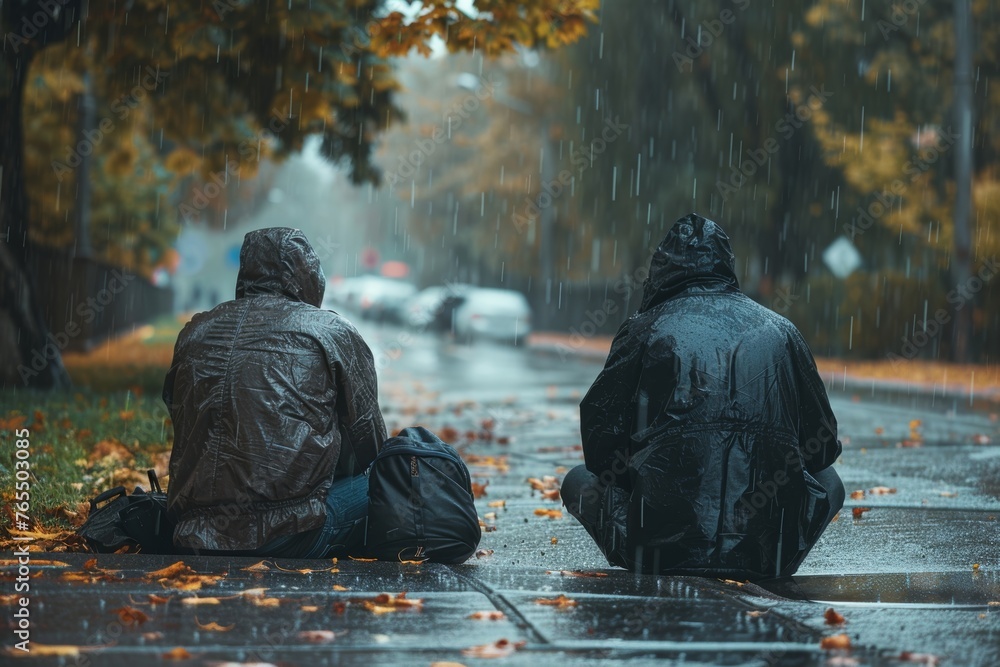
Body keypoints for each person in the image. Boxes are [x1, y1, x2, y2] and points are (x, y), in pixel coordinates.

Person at [562, 213, 845, 579]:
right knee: (830, 482)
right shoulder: (782, 331)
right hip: (769, 552)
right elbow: (820, 449)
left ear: (659, 272)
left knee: (577, 480)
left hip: (659, 549)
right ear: (726, 267)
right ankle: (757, 552)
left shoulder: (643, 330)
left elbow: (600, 452)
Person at [163, 227, 386, 557]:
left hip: (192, 531)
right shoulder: (331, 331)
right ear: (308, 274)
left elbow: (183, 420)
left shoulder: (195, 331)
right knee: (394, 475)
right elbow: (369, 447)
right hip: (292, 533)